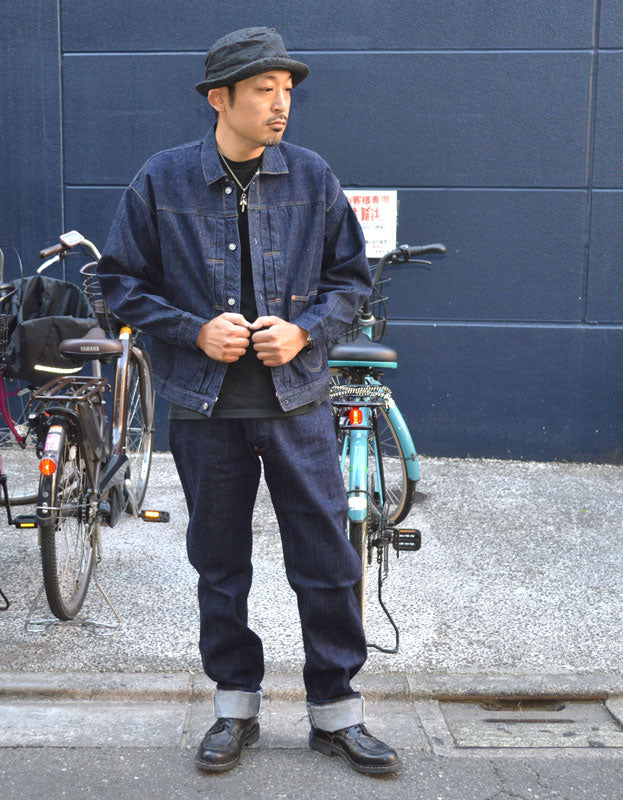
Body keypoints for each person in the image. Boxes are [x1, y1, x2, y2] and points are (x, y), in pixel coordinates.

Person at [96, 27, 399, 775]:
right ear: (219, 99)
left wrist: (304, 333)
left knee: (328, 560)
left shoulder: (312, 176)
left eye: (287, 90)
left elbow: (351, 281)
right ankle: (236, 706)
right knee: (219, 564)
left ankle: (337, 714)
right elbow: (116, 286)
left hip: (296, 404)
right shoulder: (161, 181)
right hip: (206, 412)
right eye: (264, 89)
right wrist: (194, 331)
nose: (280, 105)